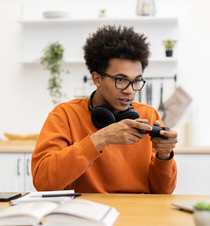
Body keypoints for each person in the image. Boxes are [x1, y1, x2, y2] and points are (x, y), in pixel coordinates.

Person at [31, 25, 178, 193]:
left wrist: (164, 156)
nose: (130, 90)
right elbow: (43, 182)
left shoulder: (148, 114)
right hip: (86, 213)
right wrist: (101, 138)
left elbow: (163, 192)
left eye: (136, 81)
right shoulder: (65, 114)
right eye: (120, 80)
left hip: (137, 213)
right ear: (97, 79)